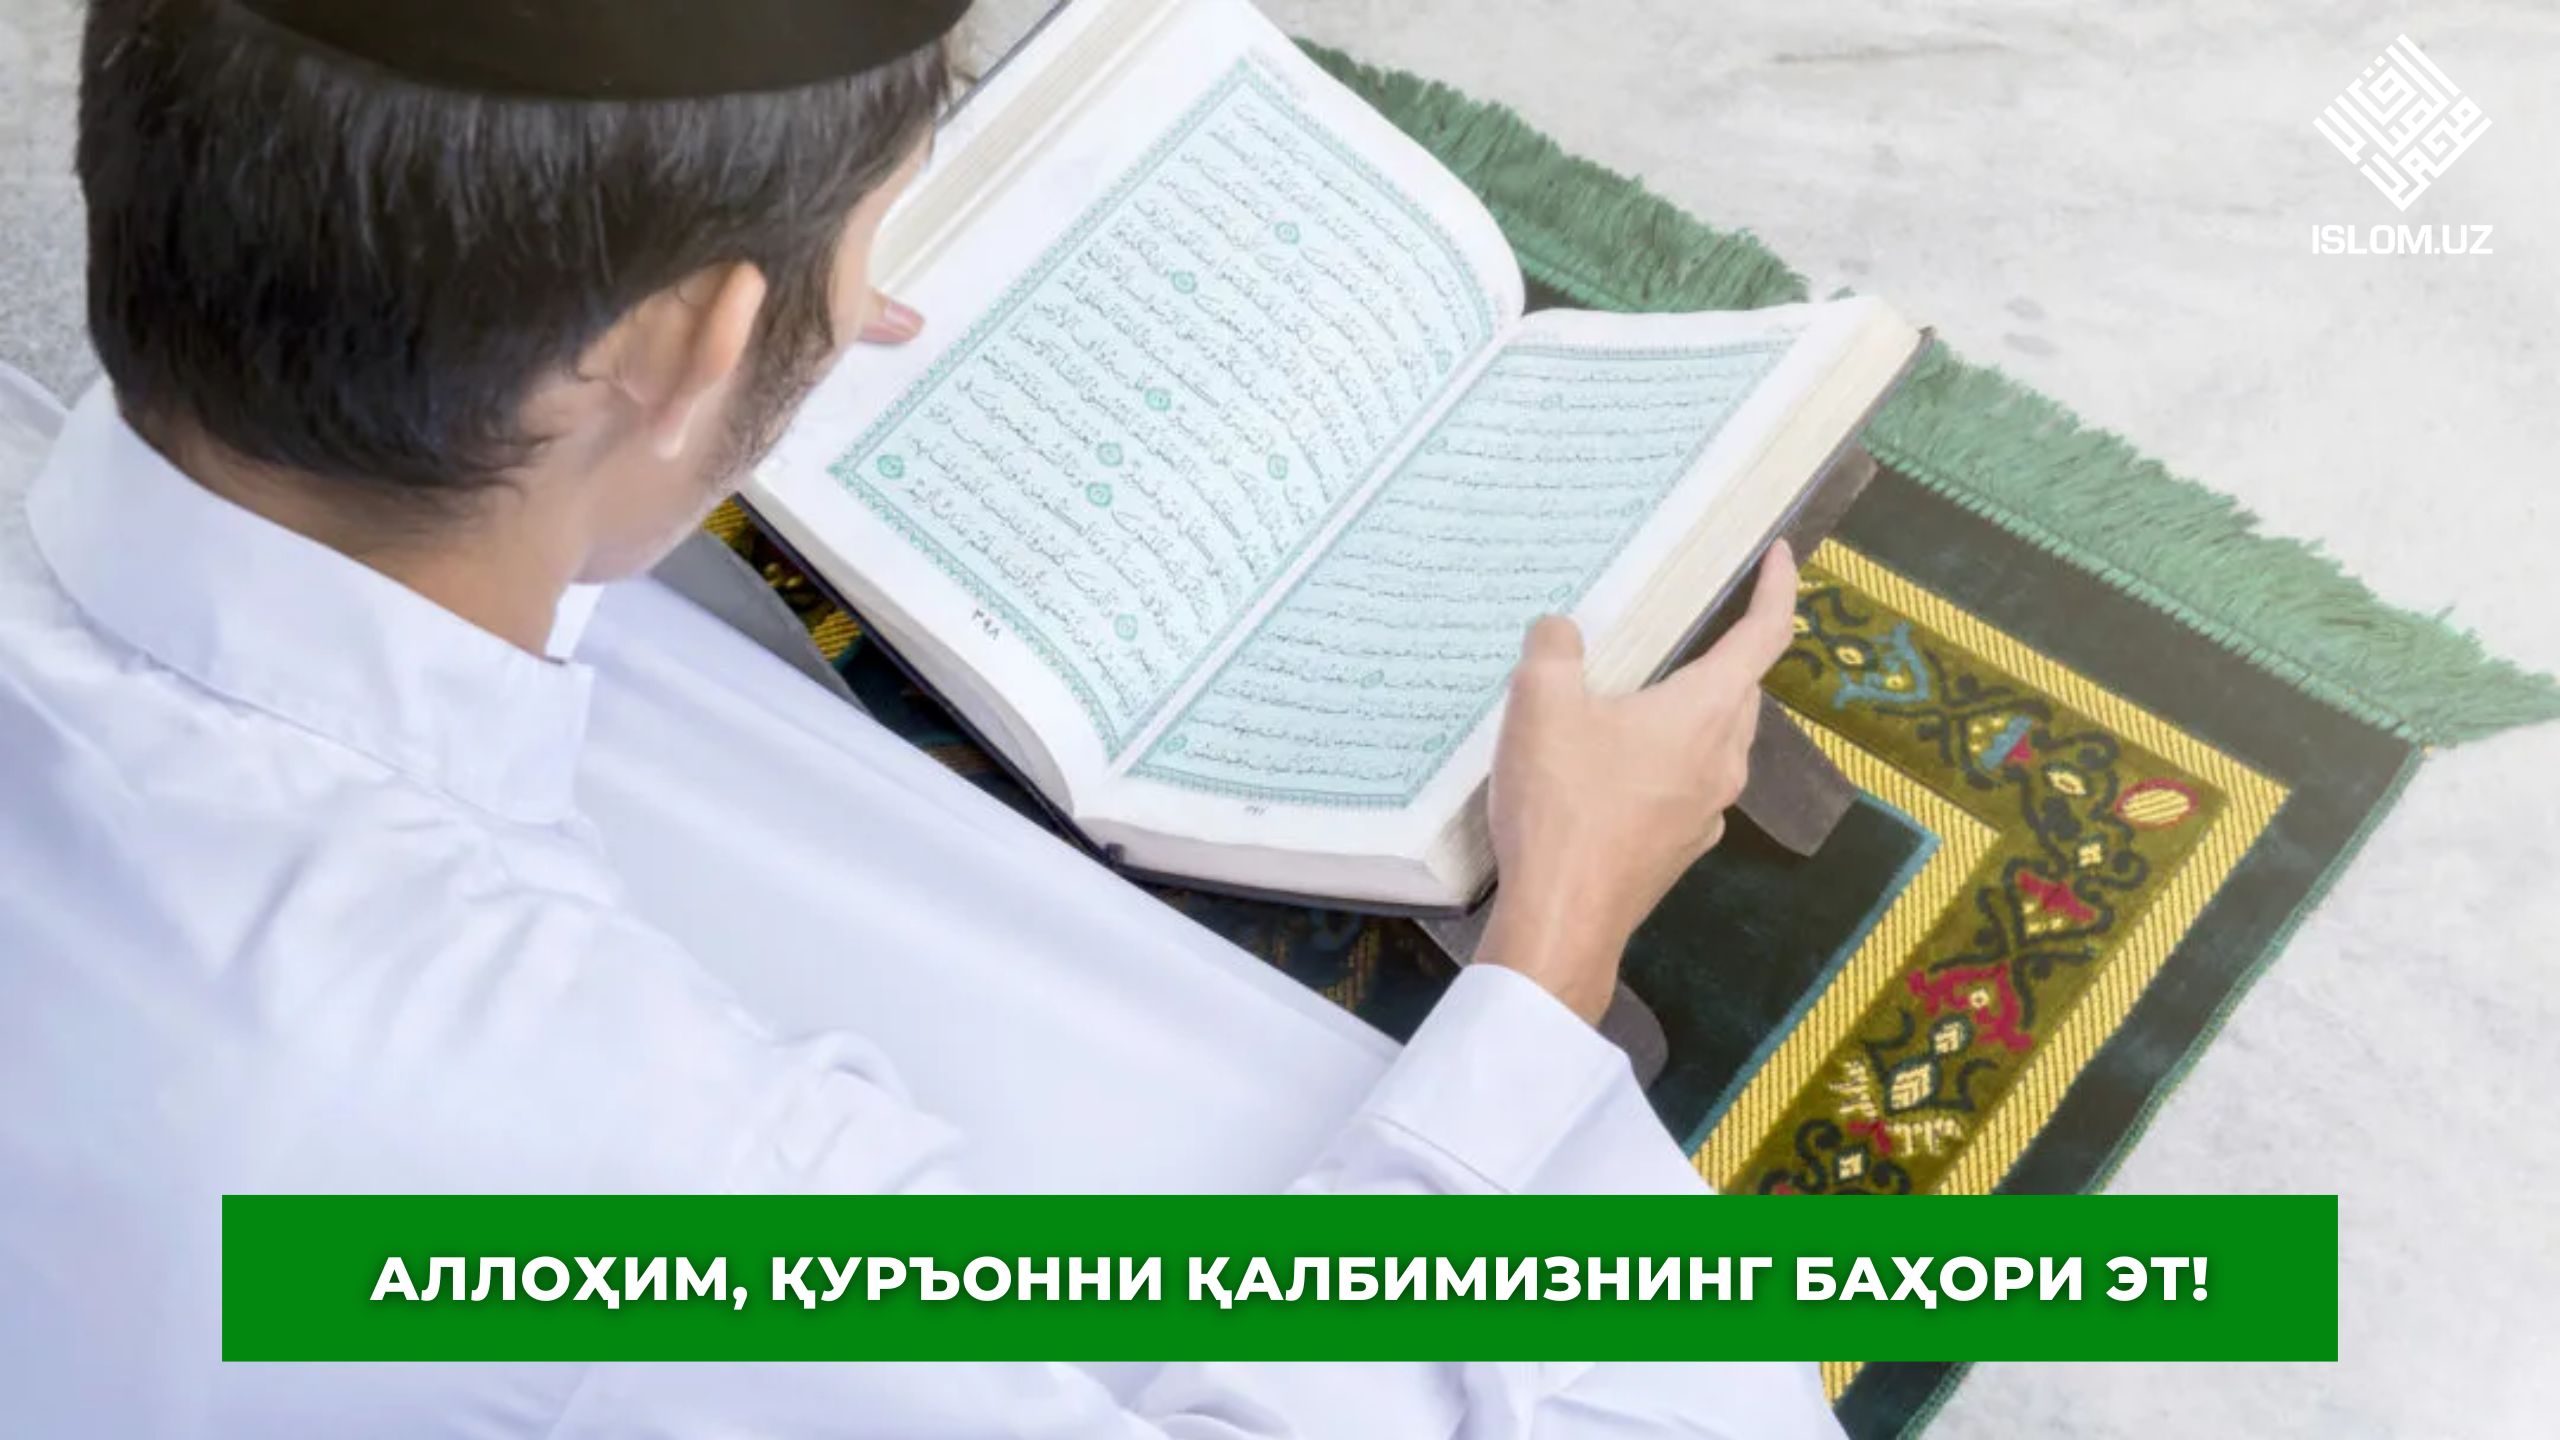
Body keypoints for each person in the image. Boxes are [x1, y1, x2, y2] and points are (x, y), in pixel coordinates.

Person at [0, 0, 1838, 1435]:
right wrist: (1555, 951)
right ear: (681, 347)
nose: (873, 297)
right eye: (869, 243)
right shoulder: (650, 1164)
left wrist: (718, 364)